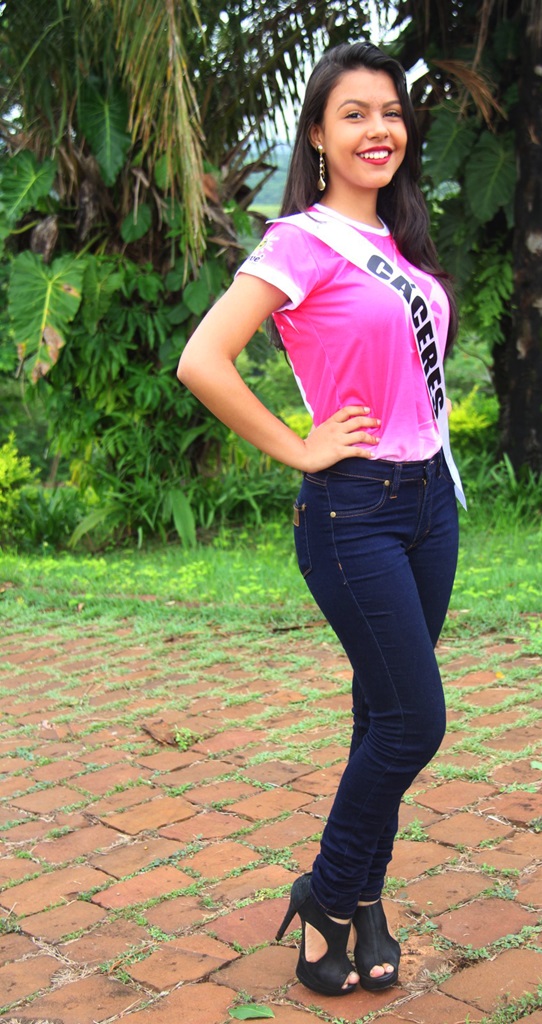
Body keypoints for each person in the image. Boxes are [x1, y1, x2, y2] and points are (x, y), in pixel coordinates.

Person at [177, 41, 465, 998]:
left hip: (429, 505)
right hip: (354, 512)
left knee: (380, 717)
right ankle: (327, 895)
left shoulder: (402, 241)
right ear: (317, 135)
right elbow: (202, 359)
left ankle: (363, 905)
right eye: (354, 114)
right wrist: (300, 449)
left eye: (391, 112)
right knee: (414, 722)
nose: (379, 130)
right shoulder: (301, 241)